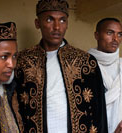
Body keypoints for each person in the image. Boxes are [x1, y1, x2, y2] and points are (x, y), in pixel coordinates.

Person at [14, 0, 108, 132]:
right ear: (37, 23)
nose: (57, 27)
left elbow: (99, 111)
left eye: (62, 20)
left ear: (67, 24)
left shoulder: (85, 62)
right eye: (49, 19)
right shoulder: (23, 61)